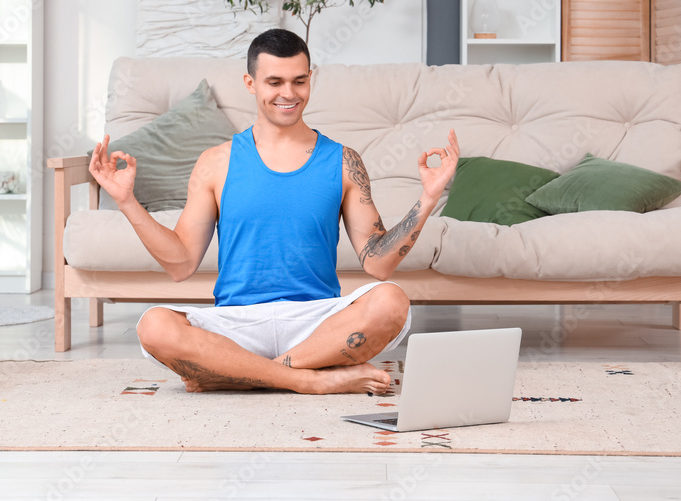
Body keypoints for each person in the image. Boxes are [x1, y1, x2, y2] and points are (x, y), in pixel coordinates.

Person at [88, 28, 460, 395]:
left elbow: (378, 264)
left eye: (299, 81)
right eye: (274, 82)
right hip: (236, 323)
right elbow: (180, 263)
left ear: (310, 79)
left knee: (392, 300)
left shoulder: (344, 161)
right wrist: (126, 200)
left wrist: (427, 199)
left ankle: (238, 373)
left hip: (316, 322)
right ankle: (309, 379)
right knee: (154, 326)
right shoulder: (216, 162)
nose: (288, 93)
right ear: (250, 83)